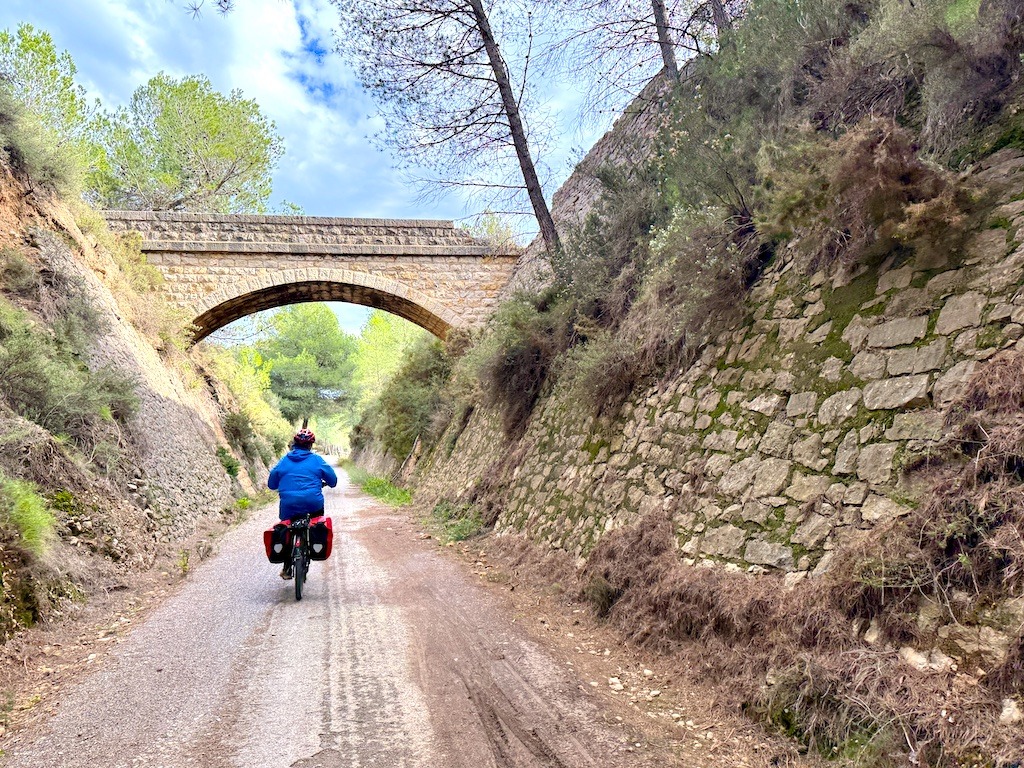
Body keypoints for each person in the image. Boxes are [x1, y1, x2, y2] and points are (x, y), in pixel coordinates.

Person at [268, 428, 338, 579]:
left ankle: (287, 567)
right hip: (313, 502)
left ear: (294, 443)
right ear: (311, 445)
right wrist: (326, 483)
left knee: (287, 526)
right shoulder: (317, 460)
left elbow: (271, 483)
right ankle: (313, 544)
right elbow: (333, 480)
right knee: (315, 523)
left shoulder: (284, 460)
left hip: (289, 505)